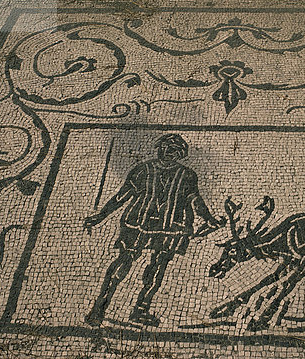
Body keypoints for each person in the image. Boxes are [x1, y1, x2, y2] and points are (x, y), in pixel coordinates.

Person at [83, 133, 224, 327]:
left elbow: (195, 200)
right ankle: (99, 307)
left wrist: (210, 219)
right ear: (159, 148)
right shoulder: (142, 169)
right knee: (124, 261)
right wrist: (101, 215)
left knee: (158, 266)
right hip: (138, 223)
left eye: (174, 150)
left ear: (180, 154)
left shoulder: (187, 175)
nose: (168, 153)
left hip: (171, 227)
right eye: (165, 147)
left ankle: (140, 309)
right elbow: (122, 195)